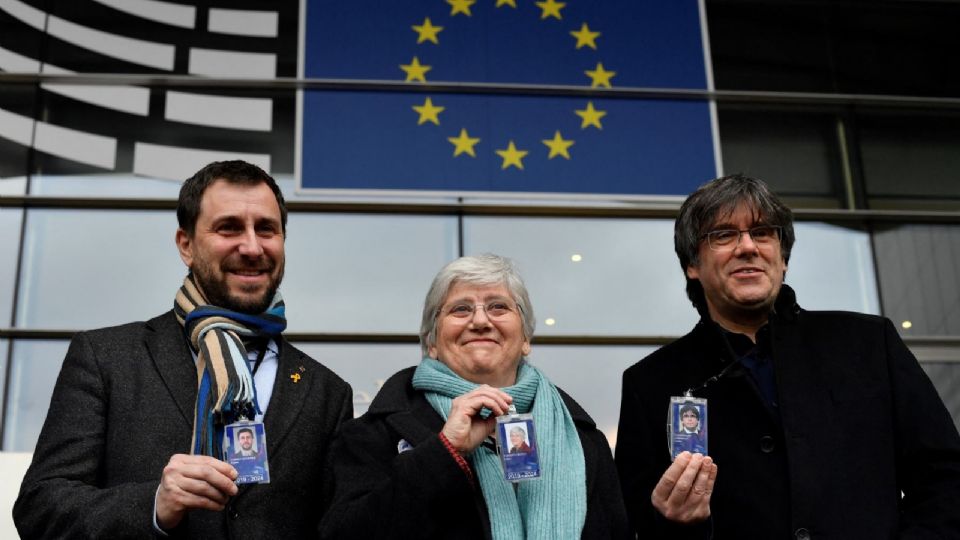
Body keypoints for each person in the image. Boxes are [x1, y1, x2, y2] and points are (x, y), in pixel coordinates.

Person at [14, 160, 353, 539]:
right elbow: (39, 508)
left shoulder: (327, 392)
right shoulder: (106, 358)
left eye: (267, 229)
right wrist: (154, 505)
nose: (252, 246)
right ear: (186, 245)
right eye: (229, 228)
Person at [616, 174, 960, 539]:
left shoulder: (869, 344)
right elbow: (633, 524)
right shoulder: (650, 383)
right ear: (693, 264)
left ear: (783, 258)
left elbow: (946, 480)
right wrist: (676, 527)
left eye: (763, 233)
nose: (748, 247)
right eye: (724, 235)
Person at [320, 254, 630, 539]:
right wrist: (444, 452)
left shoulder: (582, 440)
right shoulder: (375, 433)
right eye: (460, 309)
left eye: (498, 307)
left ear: (525, 340)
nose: (481, 321)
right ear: (432, 343)